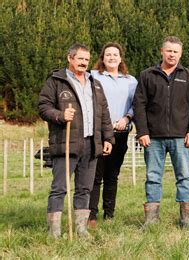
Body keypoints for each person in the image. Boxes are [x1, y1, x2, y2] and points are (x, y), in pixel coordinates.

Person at [38, 43, 115, 238]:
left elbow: (104, 114)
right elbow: (43, 107)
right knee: (59, 188)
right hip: (66, 143)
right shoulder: (56, 81)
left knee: (85, 188)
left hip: (91, 144)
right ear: (70, 58)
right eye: (80, 59)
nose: (83, 63)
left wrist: (108, 138)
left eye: (87, 60)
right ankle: (53, 232)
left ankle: (81, 229)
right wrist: (60, 114)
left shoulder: (94, 83)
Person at [133, 36, 189, 228]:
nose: (172, 55)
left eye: (176, 52)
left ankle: (185, 219)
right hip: (153, 138)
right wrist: (142, 132)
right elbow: (139, 105)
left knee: (184, 176)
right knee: (153, 177)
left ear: (180, 54)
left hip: (181, 138)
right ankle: (152, 219)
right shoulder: (147, 75)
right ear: (161, 52)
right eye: (169, 51)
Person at [87, 42, 138, 228]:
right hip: (99, 133)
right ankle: (91, 216)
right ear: (102, 58)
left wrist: (127, 117)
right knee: (95, 175)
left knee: (112, 175)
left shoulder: (131, 81)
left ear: (120, 58)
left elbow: (136, 103)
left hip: (121, 132)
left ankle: (109, 215)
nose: (112, 58)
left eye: (115, 54)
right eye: (108, 54)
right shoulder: (93, 77)